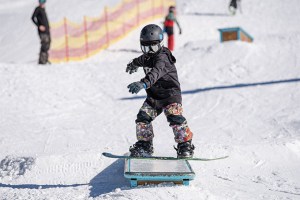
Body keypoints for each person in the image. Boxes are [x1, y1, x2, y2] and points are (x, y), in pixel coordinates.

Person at [125, 24, 195, 158]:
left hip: (170, 95)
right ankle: (145, 145)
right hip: (154, 97)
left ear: (160, 44)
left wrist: (143, 83)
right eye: (146, 47)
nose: (150, 50)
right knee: (143, 117)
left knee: (174, 117)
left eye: (154, 46)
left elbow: (155, 73)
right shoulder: (147, 56)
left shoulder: (162, 58)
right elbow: (140, 60)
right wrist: (133, 64)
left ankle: (185, 145)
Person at [31, 0, 51, 64]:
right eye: (41, 2)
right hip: (42, 32)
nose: (42, 3)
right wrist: (39, 26)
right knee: (44, 44)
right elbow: (32, 18)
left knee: (48, 44)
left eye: (43, 2)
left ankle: (45, 59)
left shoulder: (43, 9)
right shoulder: (38, 9)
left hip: (47, 30)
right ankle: (42, 61)